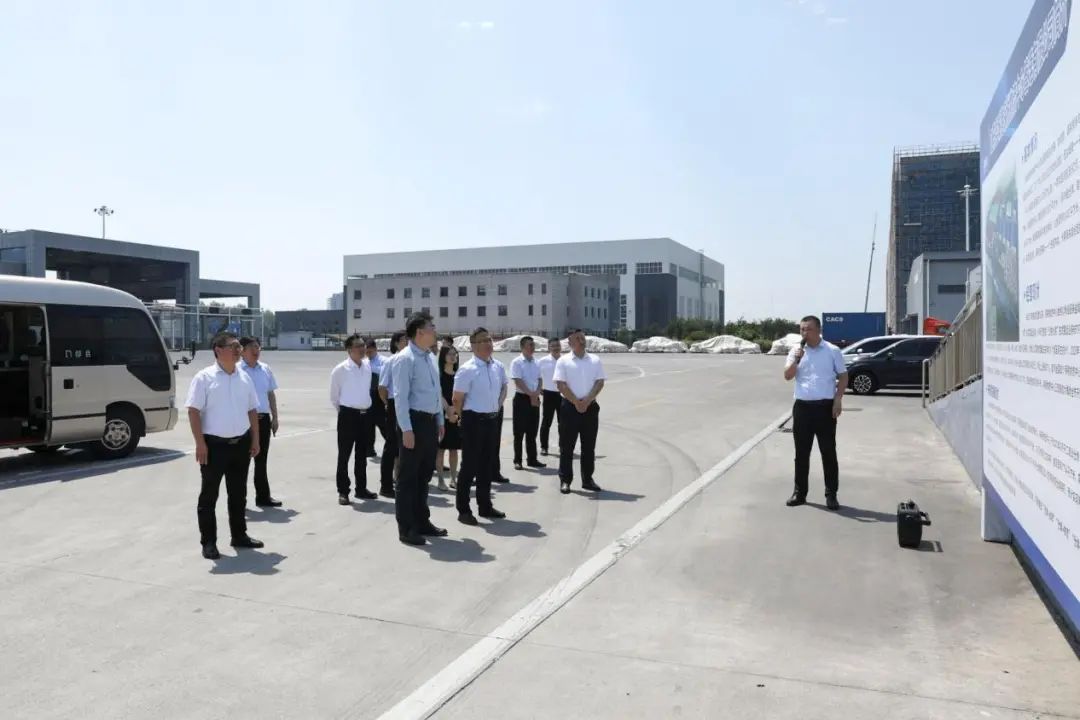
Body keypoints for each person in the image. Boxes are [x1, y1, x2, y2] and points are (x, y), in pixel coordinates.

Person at [186, 332, 263, 560]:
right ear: (218, 350)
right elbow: (193, 411)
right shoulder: (204, 378)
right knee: (209, 496)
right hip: (214, 446)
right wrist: (200, 443)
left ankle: (239, 535)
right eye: (234, 346)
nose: (239, 350)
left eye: (239, 346)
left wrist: (255, 439)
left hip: (241, 444)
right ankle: (209, 542)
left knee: (238, 494)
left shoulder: (244, 377)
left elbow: (252, 410)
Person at [392, 312, 446, 546]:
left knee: (424, 475)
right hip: (413, 422)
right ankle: (406, 528)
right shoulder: (405, 359)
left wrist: (440, 420)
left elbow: (436, 391)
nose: (435, 331)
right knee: (407, 478)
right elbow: (400, 397)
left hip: (430, 422)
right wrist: (406, 429)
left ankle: (422, 521)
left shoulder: (430, 357)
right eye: (431, 327)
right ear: (420, 332)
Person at [783, 314, 848, 510]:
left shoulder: (832, 350)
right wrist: (796, 360)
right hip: (802, 407)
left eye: (809, 329)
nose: (805, 333)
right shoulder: (796, 351)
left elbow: (843, 376)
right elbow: (787, 376)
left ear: (819, 330)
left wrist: (838, 399)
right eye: (802, 329)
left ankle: (831, 494)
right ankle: (800, 493)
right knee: (801, 453)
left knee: (828, 452)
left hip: (825, 407)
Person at [452, 327, 508, 524]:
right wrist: (462, 418)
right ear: (474, 346)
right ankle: (463, 510)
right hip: (473, 421)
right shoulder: (467, 369)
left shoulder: (497, 366)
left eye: (489, 339)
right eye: (483, 340)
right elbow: (457, 399)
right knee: (469, 467)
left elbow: (504, 387)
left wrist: (497, 406)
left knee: (486, 465)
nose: (488, 344)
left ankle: (485, 506)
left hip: (492, 419)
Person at [553, 329, 606, 495]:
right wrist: (576, 402)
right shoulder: (563, 361)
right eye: (577, 338)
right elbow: (560, 384)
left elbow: (599, 382)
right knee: (566, 446)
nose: (582, 340)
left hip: (590, 408)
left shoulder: (595, 360)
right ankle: (565, 480)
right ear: (570, 342)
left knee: (589, 447)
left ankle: (587, 479)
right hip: (569, 407)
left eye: (582, 337)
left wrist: (587, 401)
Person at [330, 334, 377, 505]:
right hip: (348, 415)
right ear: (349, 350)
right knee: (344, 455)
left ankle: (361, 488)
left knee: (362, 455)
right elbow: (334, 397)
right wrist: (345, 411)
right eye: (358, 346)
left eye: (363, 345)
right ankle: (343, 491)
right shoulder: (340, 370)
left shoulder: (367, 367)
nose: (362, 349)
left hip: (365, 415)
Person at [238, 337, 282, 507]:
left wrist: (275, 417)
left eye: (258, 347)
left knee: (261, 461)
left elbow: (270, 394)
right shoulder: (237, 370)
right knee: (242, 463)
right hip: (244, 422)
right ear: (242, 351)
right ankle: (239, 501)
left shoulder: (265, 369)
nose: (256, 351)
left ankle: (263, 497)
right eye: (252, 347)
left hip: (263, 420)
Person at [378, 331, 408, 498]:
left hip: (408, 405)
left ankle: (402, 482)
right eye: (404, 340)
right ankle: (386, 485)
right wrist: (388, 404)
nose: (407, 342)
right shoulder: (390, 362)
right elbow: (382, 388)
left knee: (405, 446)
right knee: (391, 446)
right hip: (394, 404)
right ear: (396, 343)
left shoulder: (409, 360)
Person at [510, 336, 545, 470]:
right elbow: (517, 380)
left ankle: (532, 459)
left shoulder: (537, 362)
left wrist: (536, 393)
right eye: (530, 345)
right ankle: (517, 460)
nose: (532, 347)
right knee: (519, 432)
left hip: (535, 398)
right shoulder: (517, 362)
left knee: (532, 431)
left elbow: (540, 379)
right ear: (522, 347)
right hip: (522, 399)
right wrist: (531, 394)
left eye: (533, 345)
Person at [436, 345, 461, 491]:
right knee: (440, 449)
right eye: (450, 354)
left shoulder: (459, 375)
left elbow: (462, 395)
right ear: (443, 357)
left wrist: (456, 413)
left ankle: (453, 478)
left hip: (456, 416)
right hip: (442, 415)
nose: (453, 356)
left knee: (454, 449)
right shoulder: (439, 376)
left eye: (455, 354)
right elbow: (439, 395)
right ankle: (440, 479)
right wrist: (448, 411)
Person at [537, 337, 562, 456]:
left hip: (564, 395)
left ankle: (563, 446)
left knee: (564, 423)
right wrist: (539, 388)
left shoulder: (565, 360)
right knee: (546, 422)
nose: (556, 348)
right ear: (549, 347)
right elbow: (536, 376)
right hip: (548, 394)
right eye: (553, 346)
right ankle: (544, 447)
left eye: (557, 345)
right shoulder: (542, 361)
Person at [365, 337, 387, 459]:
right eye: (366, 352)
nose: (368, 354)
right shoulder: (365, 362)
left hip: (379, 395)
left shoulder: (384, 360)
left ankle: (393, 445)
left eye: (370, 351)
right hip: (368, 396)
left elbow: (384, 373)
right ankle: (369, 450)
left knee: (383, 423)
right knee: (368, 425)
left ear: (375, 349)